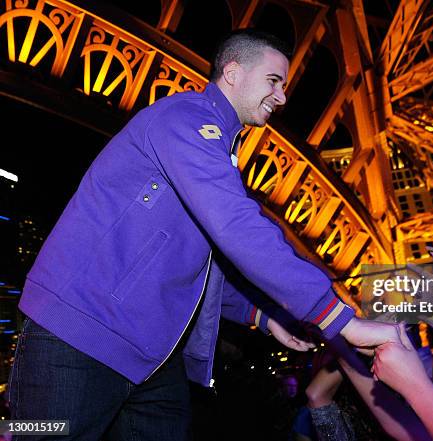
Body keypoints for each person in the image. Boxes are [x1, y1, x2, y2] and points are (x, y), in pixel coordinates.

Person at [8, 29, 401, 440]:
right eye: (273, 81)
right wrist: (339, 318)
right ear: (232, 73)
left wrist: (263, 317)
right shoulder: (185, 119)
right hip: (75, 339)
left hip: (150, 360)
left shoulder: (217, 152)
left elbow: (198, 268)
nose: (282, 97)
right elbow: (236, 226)